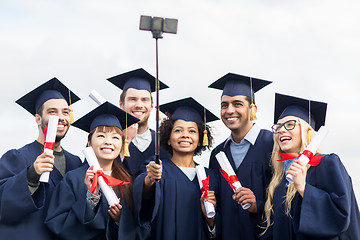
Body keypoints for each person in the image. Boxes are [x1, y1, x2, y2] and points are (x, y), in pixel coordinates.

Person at [261, 93, 360, 239]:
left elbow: (341, 215)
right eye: (278, 126)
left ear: (307, 131)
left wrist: (303, 188)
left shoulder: (327, 163)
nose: (281, 130)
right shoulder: (280, 176)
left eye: (290, 124)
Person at [45, 101, 147, 240]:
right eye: (101, 136)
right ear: (89, 143)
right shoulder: (73, 179)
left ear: (122, 145)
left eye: (115, 137)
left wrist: (120, 221)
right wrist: (91, 200)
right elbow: (58, 225)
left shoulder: (127, 182)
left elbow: (143, 229)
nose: (108, 142)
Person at [0, 78, 83, 239]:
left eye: (65, 112)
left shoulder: (75, 162)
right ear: (38, 118)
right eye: (52, 112)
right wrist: (31, 175)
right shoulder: (17, 157)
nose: (61, 117)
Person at [133, 97, 219, 240]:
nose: (185, 135)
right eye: (178, 130)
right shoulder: (157, 167)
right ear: (168, 137)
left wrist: (210, 218)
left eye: (192, 131)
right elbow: (144, 196)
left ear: (200, 140)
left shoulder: (211, 177)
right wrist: (149, 180)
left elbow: (215, 229)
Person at [208, 73, 273, 239]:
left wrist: (258, 206)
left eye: (237, 104)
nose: (229, 111)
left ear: (253, 109)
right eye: (224, 105)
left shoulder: (272, 144)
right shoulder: (218, 153)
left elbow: (286, 199)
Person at [107, 68, 170, 177]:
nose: (139, 105)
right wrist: (125, 140)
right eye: (132, 99)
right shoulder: (106, 139)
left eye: (144, 100)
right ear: (121, 104)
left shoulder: (163, 143)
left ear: (151, 105)